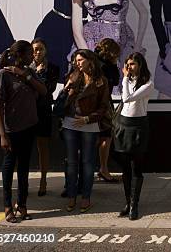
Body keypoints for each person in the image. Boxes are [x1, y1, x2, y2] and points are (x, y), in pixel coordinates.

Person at [0, 40, 47, 223]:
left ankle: (22, 205)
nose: (32, 56)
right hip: (11, 130)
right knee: (9, 168)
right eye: (28, 53)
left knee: (24, 169)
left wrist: (25, 76)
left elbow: (43, 91)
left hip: (29, 127)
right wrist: (2, 134)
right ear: (20, 55)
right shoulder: (3, 74)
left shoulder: (29, 72)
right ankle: (8, 206)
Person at [62, 49, 110, 213]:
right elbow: (64, 101)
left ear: (90, 61)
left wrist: (88, 119)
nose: (77, 63)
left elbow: (104, 107)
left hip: (89, 124)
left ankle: (86, 197)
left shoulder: (100, 81)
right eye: (76, 60)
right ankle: (71, 196)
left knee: (88, 162)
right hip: (70, 122)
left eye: (81, 60)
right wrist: (66, 89)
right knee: (71, 162)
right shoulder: (73, 76)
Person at [113, 52, 153, 220]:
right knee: (125, 169)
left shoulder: (148, 83)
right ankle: (128, 202)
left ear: (140, 65)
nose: (129, 67)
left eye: (133, 64)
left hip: (138, 127)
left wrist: (124, 78)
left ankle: (134, 205)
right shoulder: (128, 81)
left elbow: (127, 98)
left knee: (136, 168)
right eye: (127, 64)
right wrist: (126, 79)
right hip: (123, 125)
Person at [30, 38, 59, 196]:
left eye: (40, 49)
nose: (37, 52)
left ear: (45, 50)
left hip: (44, 111)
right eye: (34, 49)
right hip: (27, 111)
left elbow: (48, 89)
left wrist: (39, 74)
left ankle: (43, 179)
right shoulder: (27, 68)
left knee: (43, 147)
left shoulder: (53, 69)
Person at [94, 38, 121, 183]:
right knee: (105, 137)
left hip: (90, 106)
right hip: (102, 106)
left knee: (92, 138)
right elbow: (116, 81)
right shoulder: (107, 67)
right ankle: (103, 168)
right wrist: (115, 64)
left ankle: (89, 170)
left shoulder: (93, 63)